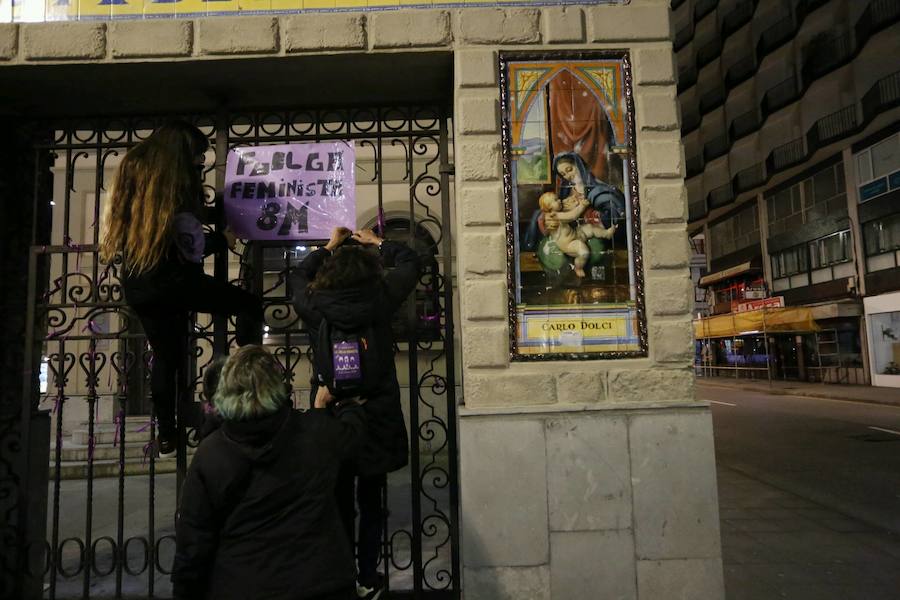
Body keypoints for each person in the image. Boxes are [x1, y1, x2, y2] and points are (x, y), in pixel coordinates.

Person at [100, 121, 264, 457]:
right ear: (183, 151)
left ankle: (167, 433)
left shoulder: (136, 168)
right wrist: (222, 239)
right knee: (247, 304)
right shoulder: (174, 180)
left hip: (138, 282)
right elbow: (190, 244)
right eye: (198, 156)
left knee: (166, 356)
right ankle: (251, 374)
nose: (200, 163)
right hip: (174, 280)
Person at [172, 345, 366, 600]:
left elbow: (193, 546)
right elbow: (354, 436)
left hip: (244, 584)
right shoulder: (315, 433)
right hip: (320, 583)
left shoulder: (212, 454)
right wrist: (344, 404)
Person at [291, 226, 421, 600]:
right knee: (372, 500)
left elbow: (298, 274)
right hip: (374, 413)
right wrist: (379, 243)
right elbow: (412, 262)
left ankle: (342, 576)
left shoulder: (315, 304)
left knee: (338, 501)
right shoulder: (379, 298)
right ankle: (366, 575)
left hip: (332, 411)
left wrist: (328, 247)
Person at [523, 151, 627, 251]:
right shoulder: (567, 190)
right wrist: (564, 208)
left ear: (579, 166)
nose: (568, 176)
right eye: (563, 174)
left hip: (591, 235)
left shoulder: (599, 190)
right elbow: (559, 213)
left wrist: (586, 211)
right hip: (569, 236)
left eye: (569, 169)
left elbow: (613, 215)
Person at [538, 191, 616, 278]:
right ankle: (578, 267)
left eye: (558, 198)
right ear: (549, 206)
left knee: (589, 228)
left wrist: (576, 202)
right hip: (569, 244)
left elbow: (569, 209)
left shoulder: (557, 212)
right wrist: (582, 206)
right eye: (555, 200)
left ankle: (606, 234)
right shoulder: (554, 216)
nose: (559, 200)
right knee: (584, 252)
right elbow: (572, 216)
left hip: (574, 234)